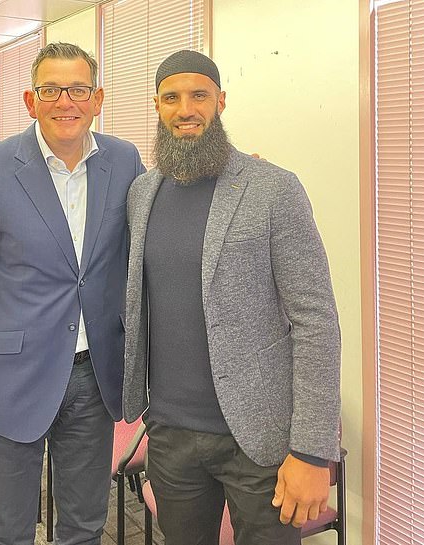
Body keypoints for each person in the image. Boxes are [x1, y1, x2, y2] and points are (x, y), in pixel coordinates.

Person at [122, 50, 341, 545]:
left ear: (221, 101)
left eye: (199, 95)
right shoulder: (141, 193)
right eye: (172, 98)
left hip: (259, 440)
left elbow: (316, 321)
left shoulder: (273, 189)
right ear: (156, 106)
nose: (186, 109)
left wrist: (311, 450)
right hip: (171, 435)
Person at [0, 42, 143, 545]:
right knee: (8, 529)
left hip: (95, 379)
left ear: (97, 99)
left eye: (77, 90)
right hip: (10, 381)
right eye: (50, 90)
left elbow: (156, 226)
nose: (64, 101)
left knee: (85, 526)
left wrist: (227, 178)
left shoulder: (124, 160)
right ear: (31, 100)